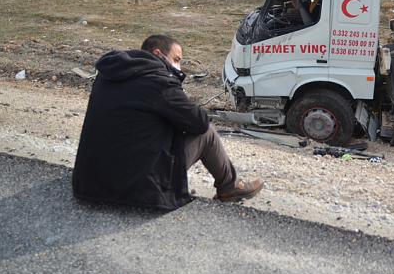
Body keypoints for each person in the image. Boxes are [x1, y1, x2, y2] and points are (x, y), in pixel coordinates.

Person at [72, 34, 263, 211]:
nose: (179, 67)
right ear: (158, 54)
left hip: (89, 184)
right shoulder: (159, 81)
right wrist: (178, 91)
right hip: (137, 190)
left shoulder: (107, 75)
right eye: (177, 59)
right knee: (207, 133)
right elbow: (199, 122)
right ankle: (229, 187)